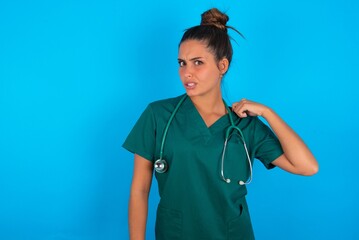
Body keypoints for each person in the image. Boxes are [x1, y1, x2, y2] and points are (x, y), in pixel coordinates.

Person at [123, 8, 319, 240]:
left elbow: (307, 167)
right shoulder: (158, 115)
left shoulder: (245, 125)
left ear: (222, 66)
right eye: (182, 63)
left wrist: (268, 113)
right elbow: (140, 190)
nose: (187, 72)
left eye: (198, 63)